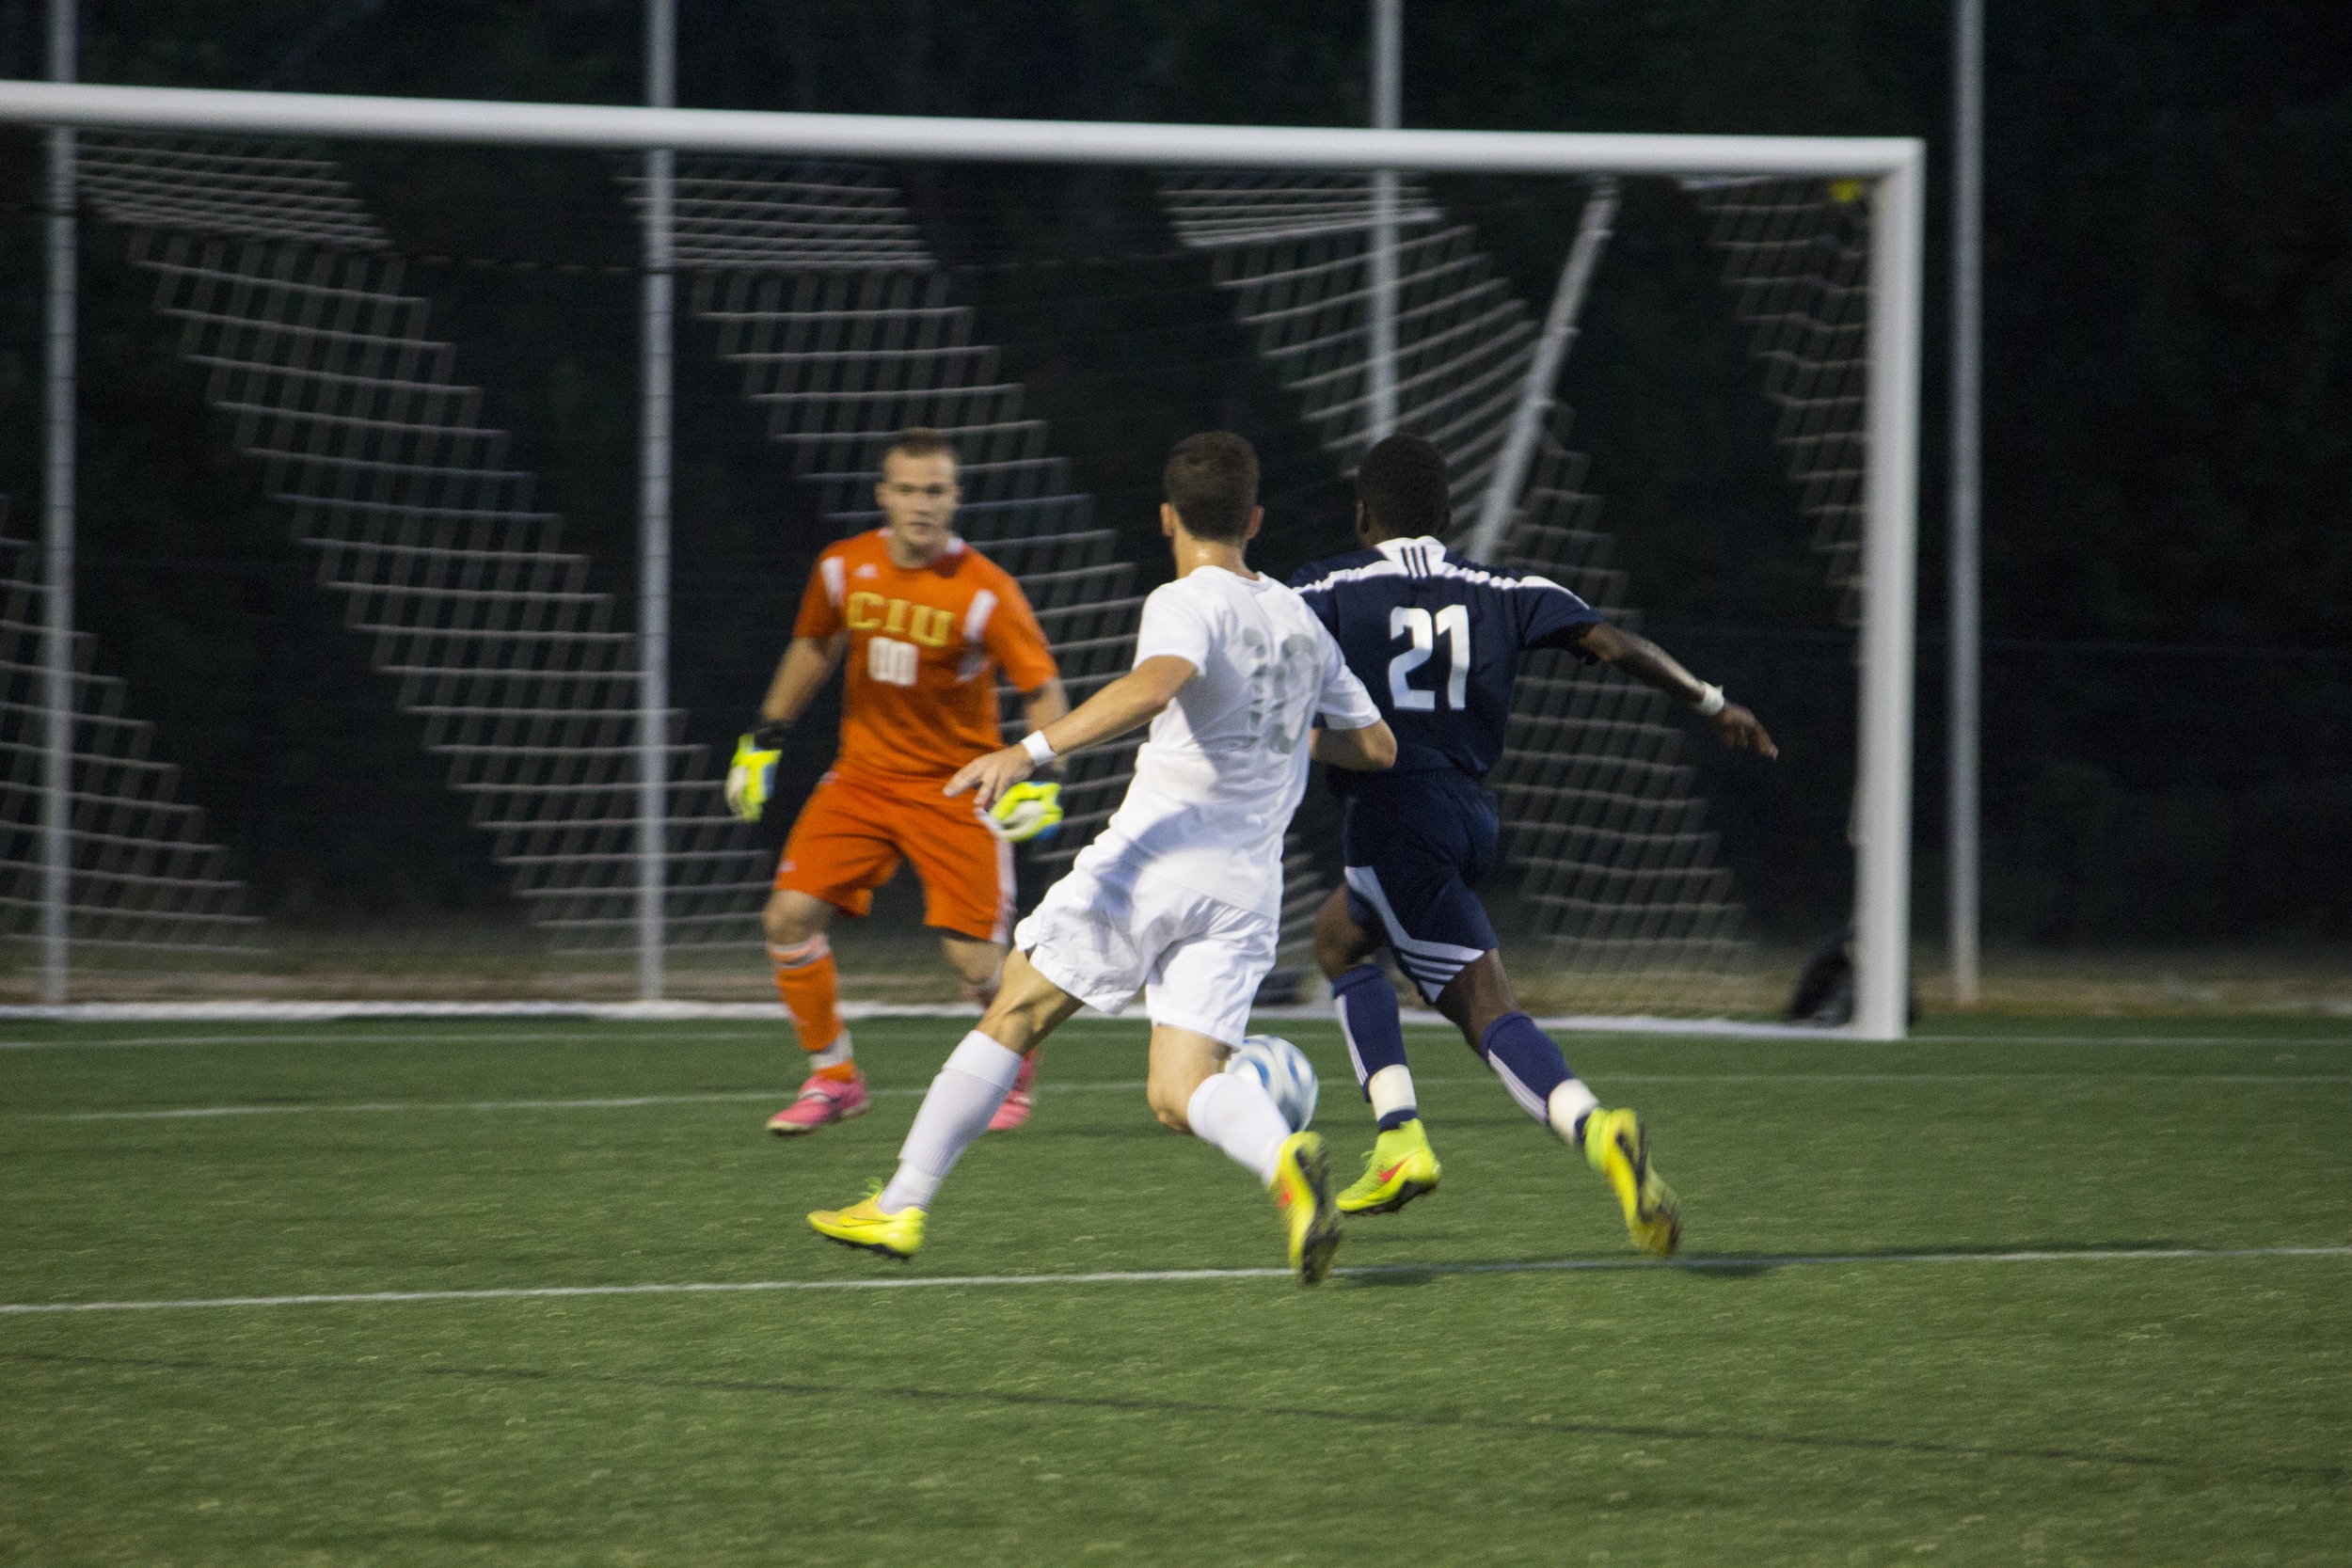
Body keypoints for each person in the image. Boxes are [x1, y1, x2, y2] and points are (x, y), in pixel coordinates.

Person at [808, 432, 1397, 1285]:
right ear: (1255, 519)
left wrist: (1030, 749)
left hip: (1152, 865)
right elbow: (1376, 747)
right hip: (1245, 891)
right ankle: (1283, 1162)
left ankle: (901, 1203)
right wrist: (1285, 733)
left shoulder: (1184, 598)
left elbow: (1155, 684)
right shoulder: (1303, 619)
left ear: (1167, 517)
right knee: (1181, 1088)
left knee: (1013, 1011)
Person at [1287, 434, 1779, 1255]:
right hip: (1471, 814)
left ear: (1364, 515)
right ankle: (1398, 1133)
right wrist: (1710, 700)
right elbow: (1614, 644)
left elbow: (1252, 631)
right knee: (1340, 936)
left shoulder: (1330, 583)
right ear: (1446, 517)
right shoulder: (1506, 585)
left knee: (1488, 1011)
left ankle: (1594, 1128)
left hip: (1393, 813)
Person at [726, 427, 1070, 1135]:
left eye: (935, 490)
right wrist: (764, 738)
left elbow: (1042, 689)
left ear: (956, 497)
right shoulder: (842, 569)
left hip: (958, 789)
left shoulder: (986, 591)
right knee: (788, 917)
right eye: (907, 490)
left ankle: (1014, 1061)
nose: (921, 504)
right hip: (861, 779)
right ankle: (834, 1078)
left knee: (974, 960)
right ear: (884, 495)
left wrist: (1041, 774)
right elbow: (815, 645)